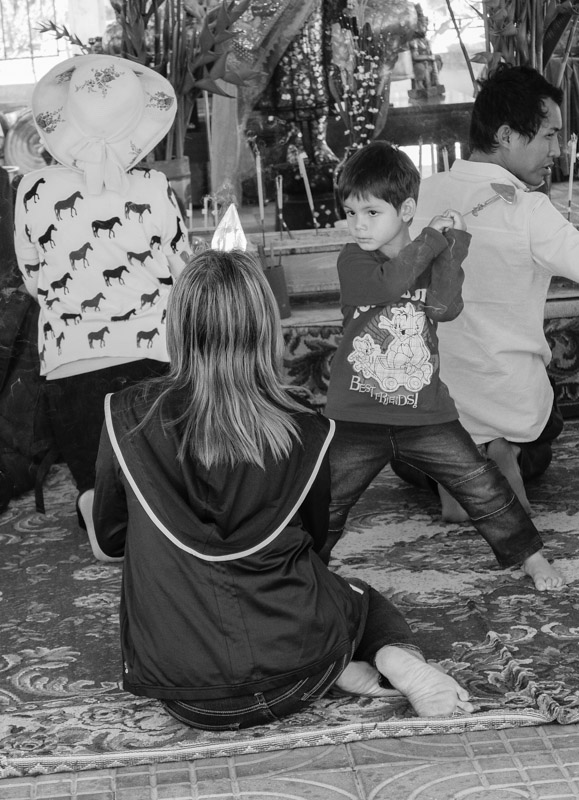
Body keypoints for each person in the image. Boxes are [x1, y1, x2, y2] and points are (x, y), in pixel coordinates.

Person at [92, 248, 474, 728]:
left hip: (188, 694)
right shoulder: (305, 425)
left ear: (176, 326)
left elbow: (110, 539)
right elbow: (313, 540)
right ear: (266, 328)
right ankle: (390, 658)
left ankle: (342, 667)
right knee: (360, 597)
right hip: (303, 671)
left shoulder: (124, 415)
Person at [321, 140, 565, 592]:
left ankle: (530, 557)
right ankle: (298, 567)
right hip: (357, 414)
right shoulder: (353, 259)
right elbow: (387, 285)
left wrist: (454, 247)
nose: (358, 224)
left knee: (482, 485)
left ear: (406, 210)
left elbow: (444, 308)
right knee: (327, 500)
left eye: (371, 212)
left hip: (426, 412)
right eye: (351, 212)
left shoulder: (425, 254)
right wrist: (431, 241)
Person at [13, 55, 191, 554]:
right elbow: (182, 267)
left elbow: (32, 275)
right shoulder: (154, 187)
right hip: (152, 356)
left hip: (69, 359)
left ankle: (93, 499)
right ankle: (155, 514)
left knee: (90, 457)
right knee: (152, 456)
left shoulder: (32, 188)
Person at [408, 64, 576, 523]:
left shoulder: (418, 196)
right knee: (548, 424)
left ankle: (454, 468)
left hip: (425, 417)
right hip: (514, 410)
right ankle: (502, 451)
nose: (557, 151)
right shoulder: (530, 210)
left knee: (407, 452)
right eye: (549, 135)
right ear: (505, 135)